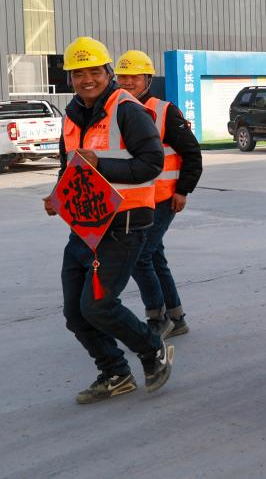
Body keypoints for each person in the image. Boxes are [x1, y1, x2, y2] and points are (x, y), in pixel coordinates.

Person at [44, 37, 173, 404]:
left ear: (108, 73)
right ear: (70, 78)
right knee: (75, 312)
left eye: (94, 72)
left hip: (123, 225)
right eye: (79, 73)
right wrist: (57, 195)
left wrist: (101, 164)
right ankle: (115, 372)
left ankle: (153, 350)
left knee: (98, 304)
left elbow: (152, 164)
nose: (87, 79)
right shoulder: (72, 115)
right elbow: (69, 166)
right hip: (85, 225)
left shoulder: (128, 110)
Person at [115, 50, 202, 338]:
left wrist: (183, 190)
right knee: (154, 258)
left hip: (162, 200)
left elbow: (192, 153)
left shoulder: (164, 111)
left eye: (135, 77)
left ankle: (157, 317)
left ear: (148, 80)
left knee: (140, 257)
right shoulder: (114, 110)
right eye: (123, 76)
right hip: (132, 201)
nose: (128, 82)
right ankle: (176, 317)